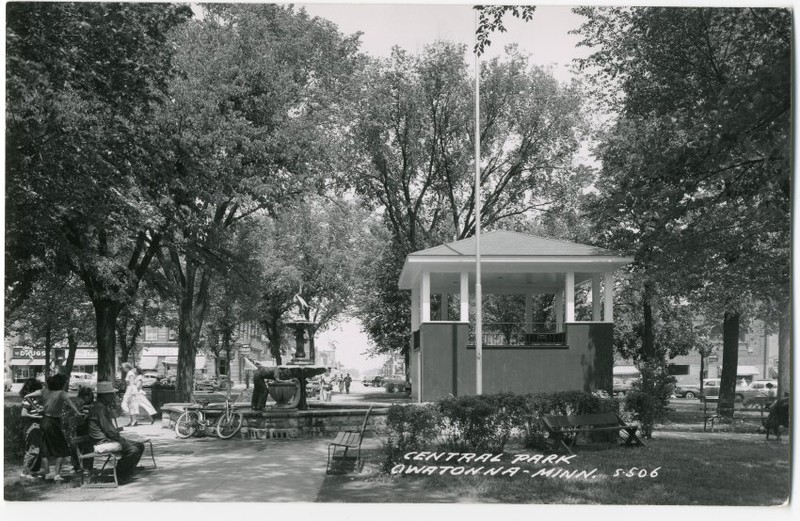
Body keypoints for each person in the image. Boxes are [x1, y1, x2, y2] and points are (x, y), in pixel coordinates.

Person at [27, 373, 84, 481]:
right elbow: (71, 404)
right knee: (61, 448)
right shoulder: (62, 393)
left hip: (43, 420)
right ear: (61, 384)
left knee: (45, 448)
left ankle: (48, 474)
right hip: (54, 422)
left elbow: (27, 396)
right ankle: (57, 475)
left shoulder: (44, 391)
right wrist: (78, 413)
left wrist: (36, 407)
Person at [86, 381, 144, 482]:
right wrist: (120, 439)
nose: (114, 395)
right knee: (133, 450)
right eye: (111, 394)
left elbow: (110, 428)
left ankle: (127, 472)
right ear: (104, 396)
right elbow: (108, 430)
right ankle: (120, 475)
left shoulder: (102, 407)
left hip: (107, 439)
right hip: (102, 441)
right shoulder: (100, 408)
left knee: (139, 446)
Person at [19, 378, 44, 479]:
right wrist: (37, 417)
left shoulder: (35, 399)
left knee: (38, 449)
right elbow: (24, 414)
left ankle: (33, 471)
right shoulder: (27, 400)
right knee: (33, 449)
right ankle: (25, 472)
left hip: (38, 425)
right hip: (32, 426)